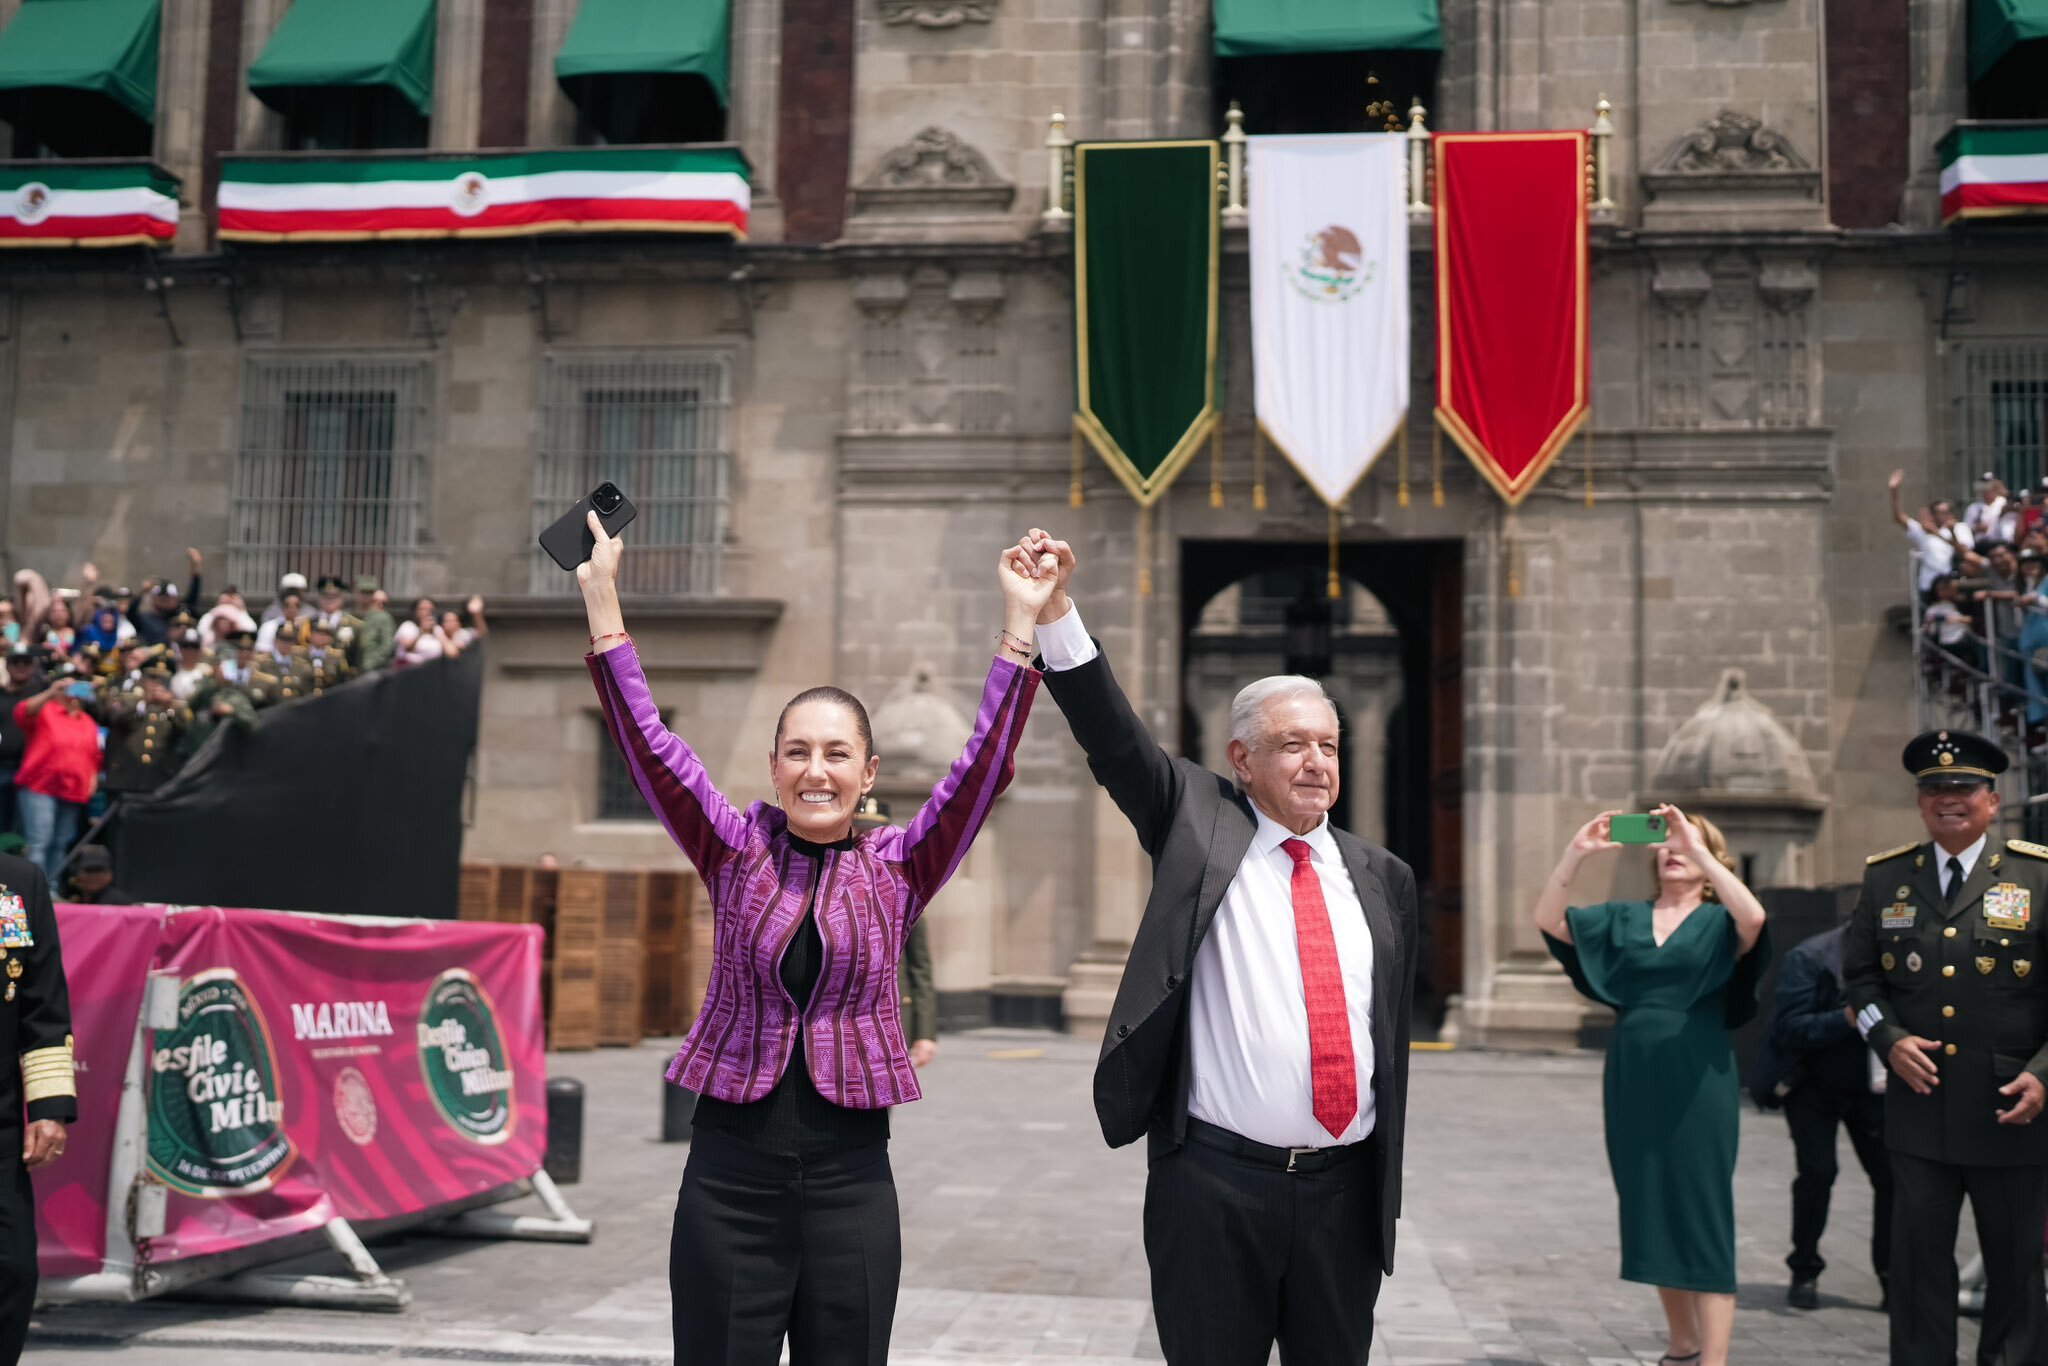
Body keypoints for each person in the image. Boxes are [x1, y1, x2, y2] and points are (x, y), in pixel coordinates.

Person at [581, 510, 1045, 1366]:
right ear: (775, 767)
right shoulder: (732, 848)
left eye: (837, 753)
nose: (817, 770)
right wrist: (603, 605)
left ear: (867, 774)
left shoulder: (901, 866)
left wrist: (1019, 627)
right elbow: (651, 748)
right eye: (798, 751)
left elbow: (982, 767)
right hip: (727, 1184)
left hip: (850, 1189)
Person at [1017, 528, 1418, 1366]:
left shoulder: (1385, 878)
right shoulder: (1198, 825)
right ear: (1242, 758)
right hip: (1215, 1188)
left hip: (1345, 1196)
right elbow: (1114, 736)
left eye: (1329, 744)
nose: (1316, 762)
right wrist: (1054, 611)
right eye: (1292, 744)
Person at [1534, 805, 1770, 1366]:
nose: (1671, 850)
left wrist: (1700, 851)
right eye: (1664, 845)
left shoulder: (1720, 922)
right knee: (1652, 1204)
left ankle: (1712, 1360)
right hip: (1634, 1077)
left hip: (1699, 1077)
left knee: (1702, 1207)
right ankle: (1682, 1345)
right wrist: (1577, 853)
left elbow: (1755, 918)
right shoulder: (1626, 917)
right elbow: (1549, 920)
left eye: (1682, 844)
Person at [1844, 729, 2048, 1365]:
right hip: (1921, 1111)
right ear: (1920, 801)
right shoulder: (1887, 879)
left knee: (2015, 1276)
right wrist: (1887, 1036)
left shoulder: (2035, 875)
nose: (1947, 799)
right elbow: (1860, 979)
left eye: (1962, 788)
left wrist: (2045, 1075)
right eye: (1933, 789)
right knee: (1917, 1274)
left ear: (1992, 799)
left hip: (2010, 1109)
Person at [1769, 922, 1890, 1310]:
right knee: (1818, 1174)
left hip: (1874, 1087)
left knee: (1892, 1179)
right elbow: (1789, 1028)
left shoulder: (1900, 954)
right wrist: (1846, 1019)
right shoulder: (1810, 957)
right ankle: (1804, 1269)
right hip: (1813, 1087)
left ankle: (1892, 1276)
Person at [0, 848, 75, 1363]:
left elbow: (43, 1006)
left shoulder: (17, 882)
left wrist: (48, 1107)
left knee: (13, 1270)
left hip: (0, 1121)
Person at [12, 679, 100, 879]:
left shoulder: (87, 721)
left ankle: (51, 889)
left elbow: (95, 755)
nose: (74, 697)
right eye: (70, 691)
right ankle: (35, 889)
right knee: (40, 840)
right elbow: (22, 711)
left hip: (73, 789)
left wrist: (92, 780)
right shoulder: (46, 710)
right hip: (40, 785)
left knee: (60, 842)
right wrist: (52, 691)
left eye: (79, 692)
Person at [0, 647, 44, 836]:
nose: (20, 666)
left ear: (33, 667)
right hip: (1, 765)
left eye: (25, 662)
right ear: (7, 666)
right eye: (15, 662)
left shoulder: (40, 693)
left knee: (24, 829)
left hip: (29, 769)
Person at [353, 575, 397, 672]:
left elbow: (387, 645)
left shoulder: (382, 617)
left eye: (369, 593)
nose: (366, 596)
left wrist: (370, 664)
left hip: (373, 670)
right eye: (363, 592)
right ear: (356, 593)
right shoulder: (349, 616)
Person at [62, 844, 131, 905]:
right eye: (89, 870)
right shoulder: (70, 899)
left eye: (100, 870)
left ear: (110, 874)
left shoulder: (119, 902)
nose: (94, 876)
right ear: (76, 874)